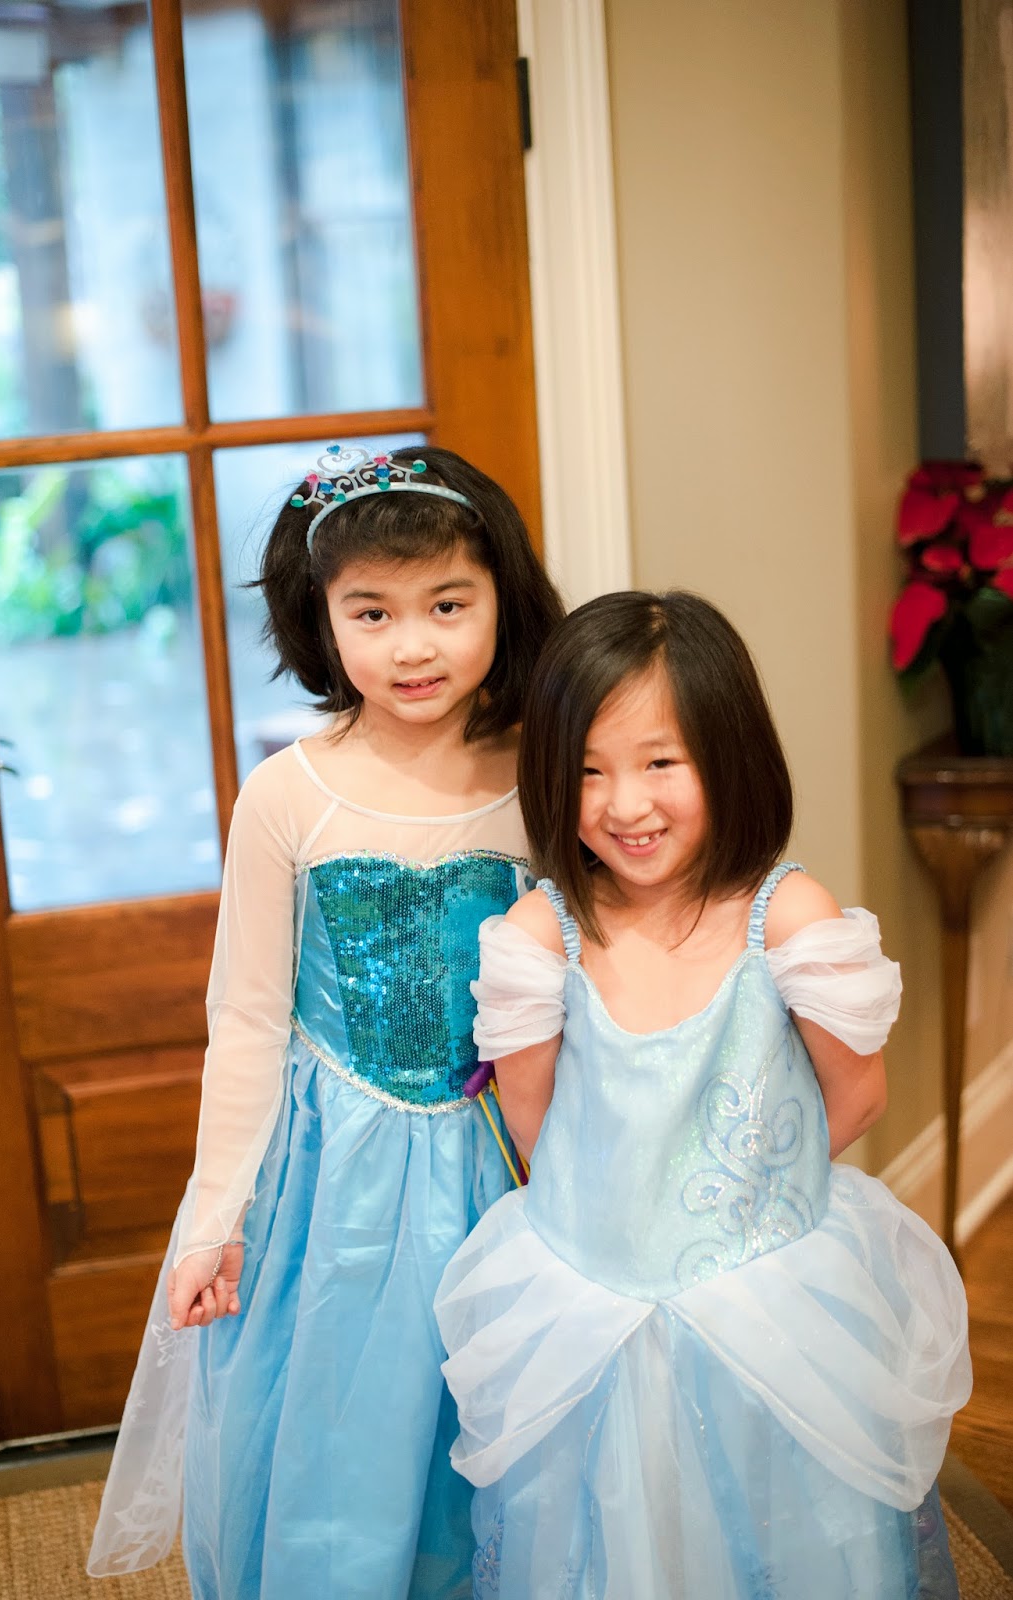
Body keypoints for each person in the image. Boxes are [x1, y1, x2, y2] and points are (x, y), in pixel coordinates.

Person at [88, 444, 564, 1599]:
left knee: (503, 1437)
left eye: (448, 604)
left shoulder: (547, 775)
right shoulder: (288, 795)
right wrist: (215, 1217)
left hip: (512, 1160)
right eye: (373, 612)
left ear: (502, 595)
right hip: (337, 1185)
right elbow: (247, 1020)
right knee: (350, 1442)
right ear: (322, 616)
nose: (413, 645)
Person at [434, 590, 972, 1600]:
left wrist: (737, 1201)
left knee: (783, 1532)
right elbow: (534, 1122)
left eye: (659, 763)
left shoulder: (788, 918)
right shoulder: (541, 937)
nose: (623, 804)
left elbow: (854, 1098)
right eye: (587, 770)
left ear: (729, 755)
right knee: (610, 1540)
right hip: (593, 1307)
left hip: (766, 1303)